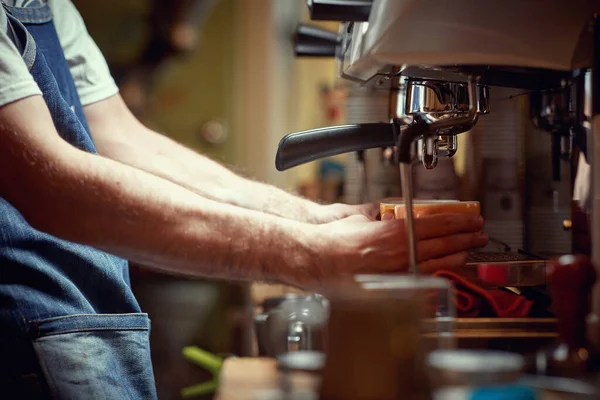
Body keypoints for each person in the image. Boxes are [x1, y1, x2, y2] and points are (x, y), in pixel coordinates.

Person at [0, 0, 488, 398]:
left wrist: (311, 219)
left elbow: (121, 138)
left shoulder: (47, 5)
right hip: (21, 340)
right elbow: (47, 183)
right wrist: (305, 254)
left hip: (89, 325)